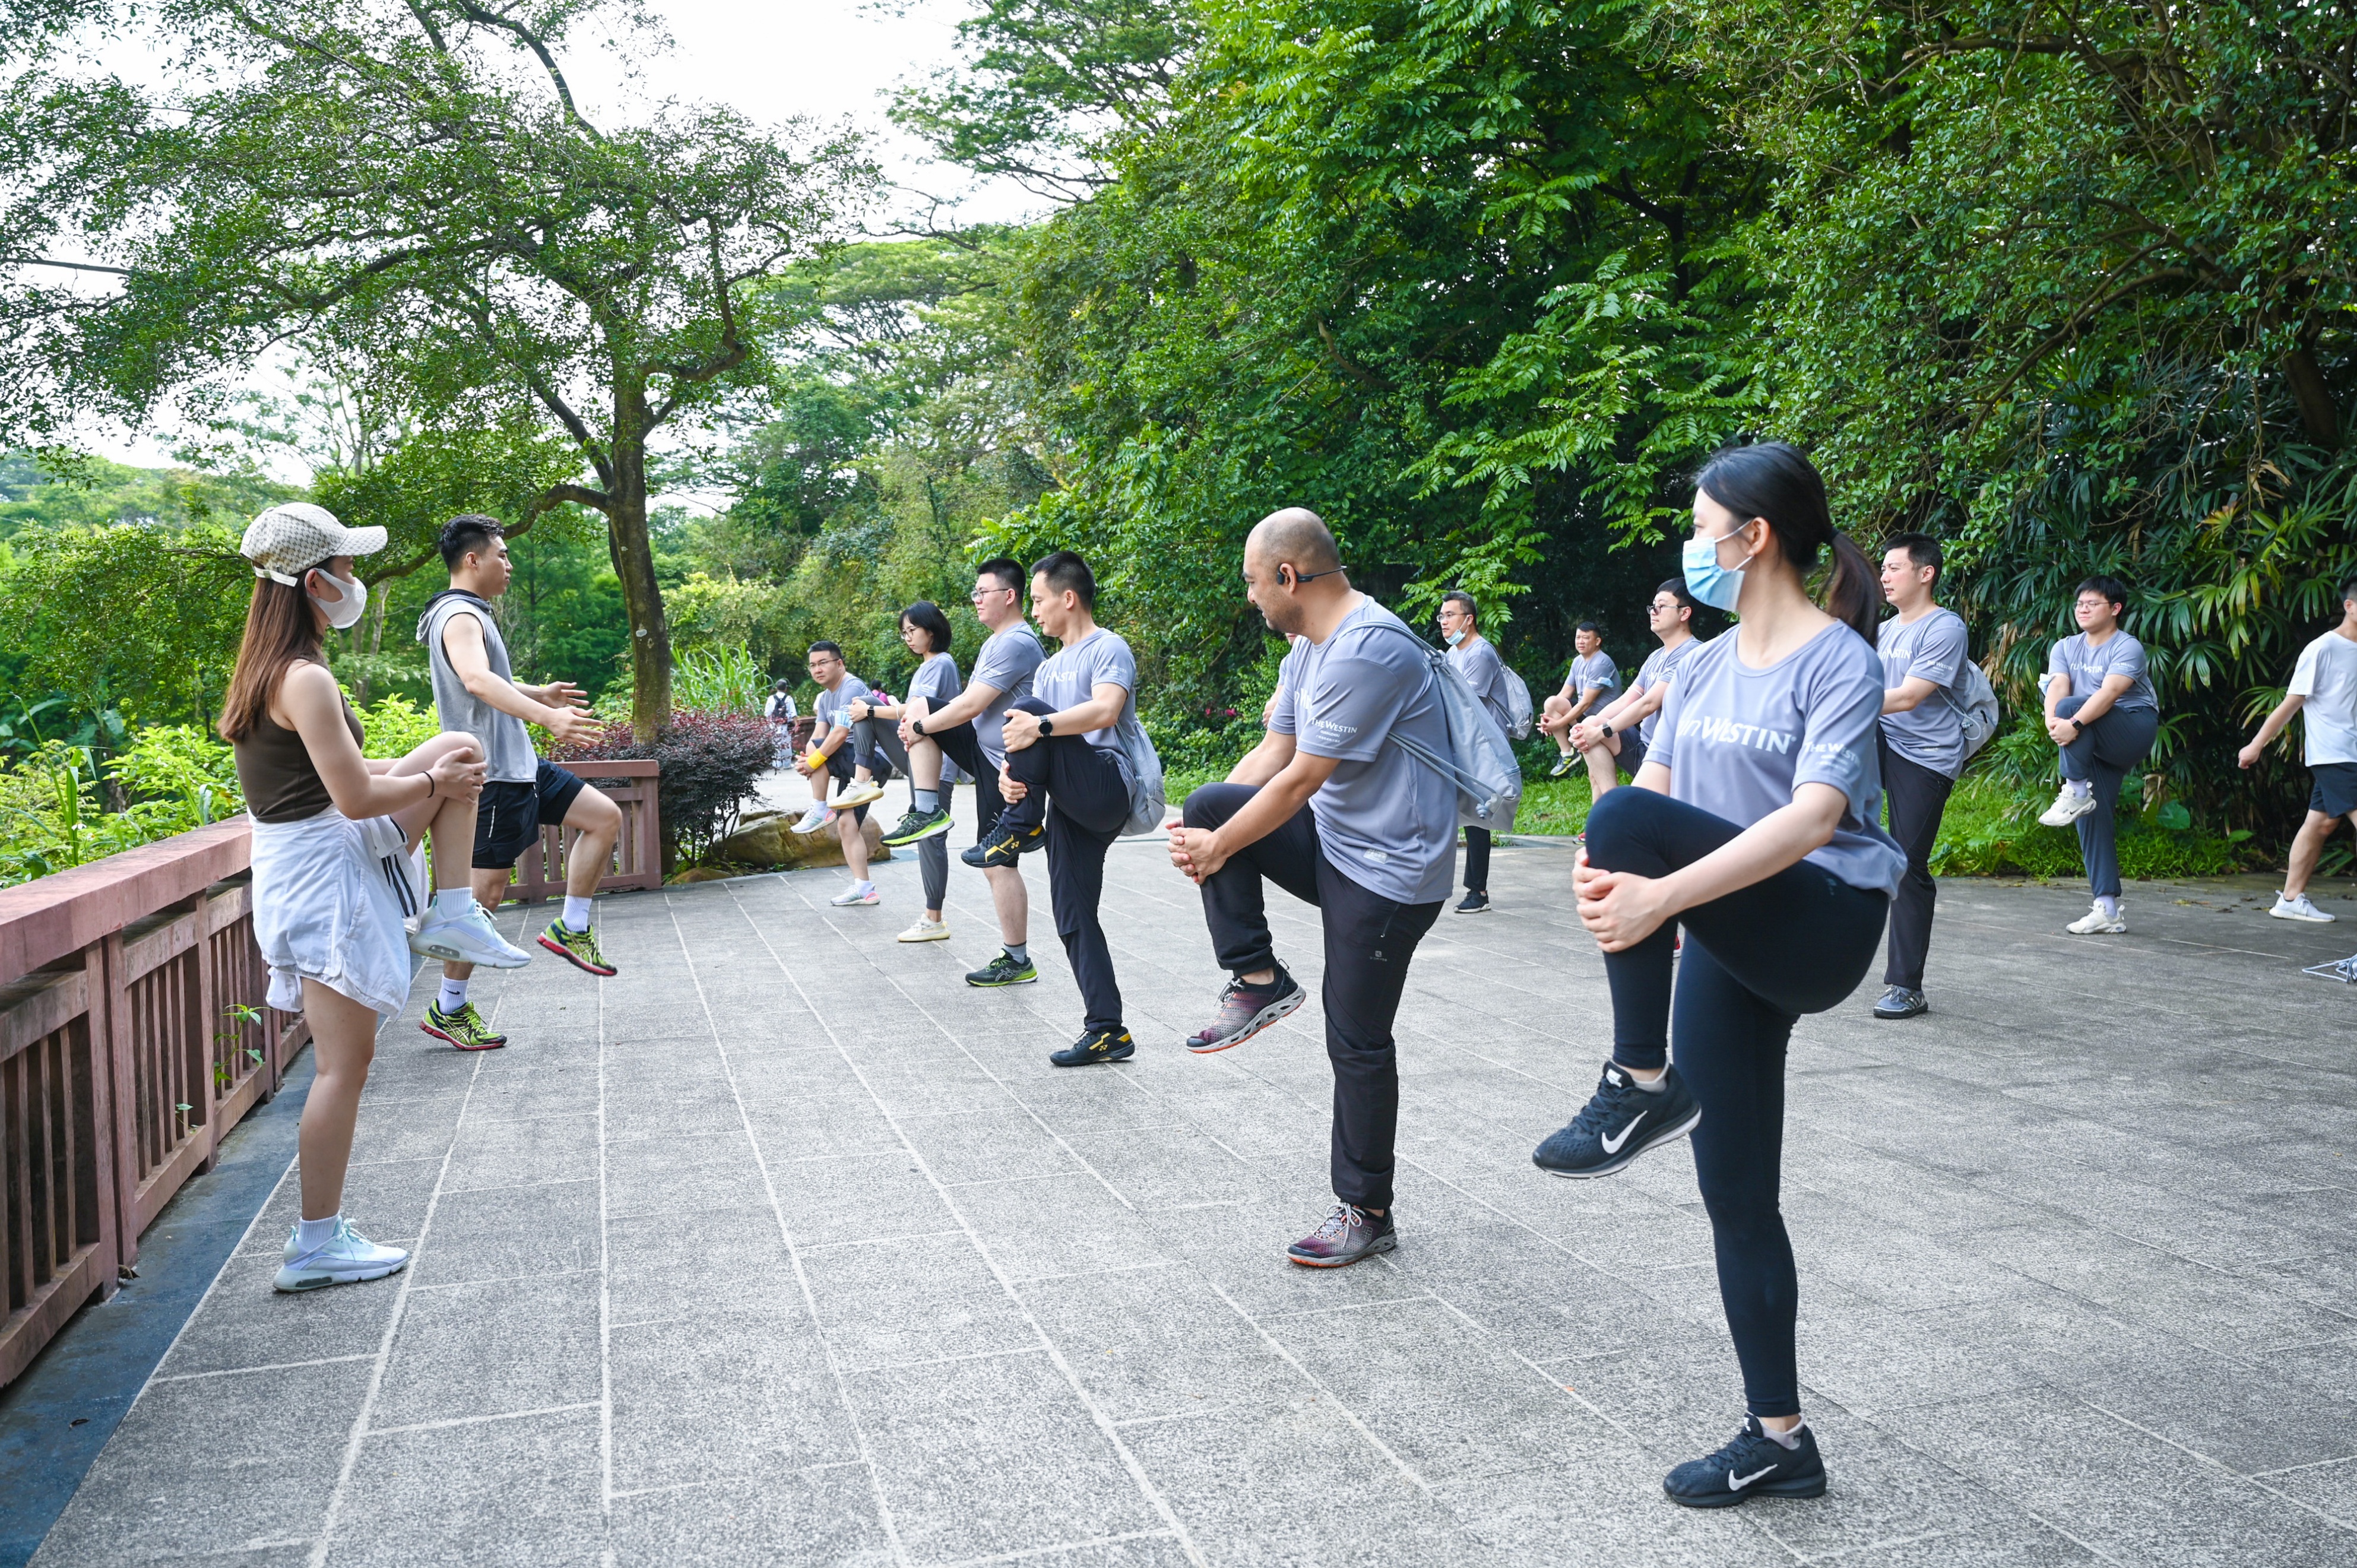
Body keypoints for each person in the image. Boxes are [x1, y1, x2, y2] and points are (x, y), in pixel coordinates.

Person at [1531, 443, 1902, 1507]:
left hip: (1824, 916)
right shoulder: (1695, 666)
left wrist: (1659, 889)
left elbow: (1815, 817)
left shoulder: (1839, 660)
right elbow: (1649, 788)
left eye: (1704, 528)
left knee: (1628, 825)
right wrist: (1603, 871)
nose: (1693, 547)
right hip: (1728, 926)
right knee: (1735, 1194)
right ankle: (1779, 1439)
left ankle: (1641, 1080)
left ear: (1756, 538)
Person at [224, 503, 530, 1293]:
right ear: (314, 582)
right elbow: (357, 796)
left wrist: (433, 771)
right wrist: (432, 783)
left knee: (461, 744)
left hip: (315, 856)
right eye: (348, 569)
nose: (356, 582)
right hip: (326, 871)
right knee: (343, 1067)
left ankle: (454, 911)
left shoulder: (271, 668)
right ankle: (314, 1244)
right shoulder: (306, 676)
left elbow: (342, 778)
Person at [1169, 509, 1456, 1267]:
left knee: (1355, 1034)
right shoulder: (1308, 645)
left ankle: (1367, 1210)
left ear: (1288, 577)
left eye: (1253, 582)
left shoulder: (1370, 648)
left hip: (1394, 871)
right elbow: (1274, 750)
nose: (1252, 598)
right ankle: (1258, 977)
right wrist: (1196, 837)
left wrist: (1221, 847)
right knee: (1208, 802)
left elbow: (1299, 781)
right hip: (1337, 843)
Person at [416, 515, 625, 1052]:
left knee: (604, 818)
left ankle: (571, 926)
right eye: (502, 555)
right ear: (473, 560)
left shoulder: (472, 614)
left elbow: (491, 678)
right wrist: (545, 716)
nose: (509, 565)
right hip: (493, 778)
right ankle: (449, 1007)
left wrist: (539, 692)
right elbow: (476, 680)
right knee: (479, 899)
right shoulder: (459, 614)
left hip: (523, 766)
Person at [978, 552, 1142, 1065]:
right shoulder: (1048, 669)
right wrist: (1012, 780)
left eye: (1042, 600)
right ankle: (1107, 1030)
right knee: (1073, 913)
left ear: (1068, 598)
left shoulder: (1107, 647)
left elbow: (1106, 710)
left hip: (1108, 782)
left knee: (1028, 711)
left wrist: (1040, 727)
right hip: (1071, 803)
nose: (1037, 610)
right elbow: (1030, 746)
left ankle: (1020, 831)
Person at [899, 559, 1044, 986]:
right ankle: (927, 808)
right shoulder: (996, 641)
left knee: (999, 861)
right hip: (983, 751)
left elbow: (972, 705)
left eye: (983, 593)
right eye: (975, 593)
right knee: (921, 707)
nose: (976, 600)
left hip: (1007, 764)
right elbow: (965, 708)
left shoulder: (1017, 642)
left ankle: (1016, 959)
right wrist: (918, 723)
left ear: (1009, 595)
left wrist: (920, 727)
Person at [1869, 534, 1972, 1018]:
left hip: (1926, 753)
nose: (1885, 576)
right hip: (1882, 738)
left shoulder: (1944, 627)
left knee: (1907, 861)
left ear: (1925, 573)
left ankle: (1907, 986)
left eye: (1894, 567)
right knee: (1820, 828)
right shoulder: (1884, 630)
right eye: (1883, 568)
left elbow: (1909, 696)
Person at [2035, 575, 2160, 935]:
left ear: (2115, 609)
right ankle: (2107, 910)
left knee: (2077, 703)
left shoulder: (2127, 647)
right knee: (2092, 816)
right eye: (2079, 604)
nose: (2083, 609)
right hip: (2089, 734)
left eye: (2093, 604)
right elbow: (2057, 686)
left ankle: (2074, 789)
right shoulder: (2066, 646)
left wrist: (2071, 721)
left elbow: (2108, 694)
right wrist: (2053, 722)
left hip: (2132, 728)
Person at [2239, 573, 2357, 922]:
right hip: (2336, 753)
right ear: (2350, 607)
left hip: (2351, 752)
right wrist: (2256, 745)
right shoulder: (2322, 648)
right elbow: (2290, 704)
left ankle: (2290, 899)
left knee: (2321, 824)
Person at [860, 602, 963, 941]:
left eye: (912, 631)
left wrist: (885, 713)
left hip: (938, 765)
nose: (908, 638)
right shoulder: (926, 667)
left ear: (931, 631)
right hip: (918, 757)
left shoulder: (941, 663)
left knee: (931, 840)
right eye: (904, 633)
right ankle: (861, 782)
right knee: (867, 709)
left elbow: (917, 712)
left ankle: (934, 919)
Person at [1569, 580, 1704, 801]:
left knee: (1595, 730)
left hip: (1671, 759)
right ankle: (1611, 808)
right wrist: (1586, 728)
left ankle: (1617, 811)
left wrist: (1603, 731)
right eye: (1652, 607)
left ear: (1684, 613)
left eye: (1661, 606)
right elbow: (1627, 701)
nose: (1654, 612)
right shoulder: (1655, 657)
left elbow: (1649, 704)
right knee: (1588, 727)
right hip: (1645, 747)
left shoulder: (1692, 653)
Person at [794, 641, 885, 907]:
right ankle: (865, 889)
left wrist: (813, 761)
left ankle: (820, 808)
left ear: (840, 664)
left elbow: (840, 734)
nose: (817, 669)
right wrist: (806, 761)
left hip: (871, 762)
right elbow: (819, 736)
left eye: (823, 663)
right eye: (813, 665)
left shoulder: (852, 687)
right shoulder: (825, 698)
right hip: (849, 762)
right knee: (847, 825)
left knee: (820, 755)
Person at [1439, 588, 1512, 914]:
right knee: (1470, 814)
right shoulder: (1454, 653)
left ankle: (1477, 891)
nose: (1443, 621)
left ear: (1468, 620)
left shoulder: (1480, 653)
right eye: (1441, 616)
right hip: (1467, 742)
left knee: (1479, 817)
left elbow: (1464, 701)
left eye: (1449, 615)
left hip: (1485, 746)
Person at [1539, 622, 1618, 776]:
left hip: (1600, 719)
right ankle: (1568, 754)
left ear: (1597, 642)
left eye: (1586, 638)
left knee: (1596, 776)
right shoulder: (1577, 662)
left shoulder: (1601, 663)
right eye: (1578, 637)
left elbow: (1585, 703)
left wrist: (1558, 724)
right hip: (1584, 716)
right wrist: (1548, 719)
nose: (1580, 641)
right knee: (1551, 702)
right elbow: (1563, 695)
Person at [764, 679, 799, 770]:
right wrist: (796, 724)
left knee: (776, 745)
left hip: (774, 726)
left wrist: (769, 725)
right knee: (786, 745)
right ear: (786, 688)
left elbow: (767, 714)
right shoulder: (789, 699)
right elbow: (793, 713)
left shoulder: (771, 699)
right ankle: (787, 765)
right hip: (785, 726)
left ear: (776, 688)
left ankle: (777, 764)